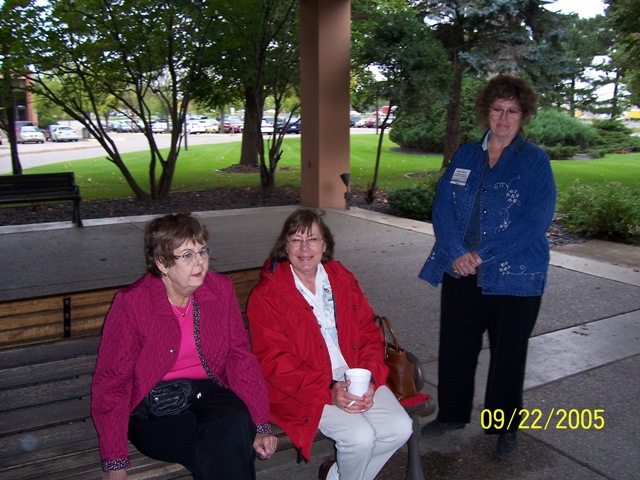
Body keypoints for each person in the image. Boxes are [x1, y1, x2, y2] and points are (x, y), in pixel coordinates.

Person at [418, 74, 557, 461]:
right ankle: (452, 415)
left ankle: (504, 427)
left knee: (508, 354)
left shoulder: (534, 160)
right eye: (497, 109)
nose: (503, 117)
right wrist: (454, 250)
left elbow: (536, 220)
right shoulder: (465, 155)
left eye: (512, 110)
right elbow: (442, 205)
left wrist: (482, 254)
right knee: (456, 347)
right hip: (461, 270)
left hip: (514, 275)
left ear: (523, 114)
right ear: (486, 112)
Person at [91, 213, 277, 480]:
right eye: (187, 255)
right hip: (153, 406)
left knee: (236, 421)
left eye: (202, 251)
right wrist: (115, 461)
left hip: (209, 392)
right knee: (224, 446)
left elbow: (239, 358)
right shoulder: (133, 303)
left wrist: (261, 424)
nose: (200, 261)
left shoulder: (220, 289)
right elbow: (113, 382)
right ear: (162, 263)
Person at [246, 208, 412, 480]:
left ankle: (335, 476)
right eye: (296, 239)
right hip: (305, 386)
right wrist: (329, 389)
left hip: (355, 374)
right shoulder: (268, 295)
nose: (304, 248)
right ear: (284, 246)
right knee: (360, 438)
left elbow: (369, 332)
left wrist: (371, 378)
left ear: (325, 245)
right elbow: (273, 361)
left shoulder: (341, 278)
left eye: (312, 239)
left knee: (399, 428)